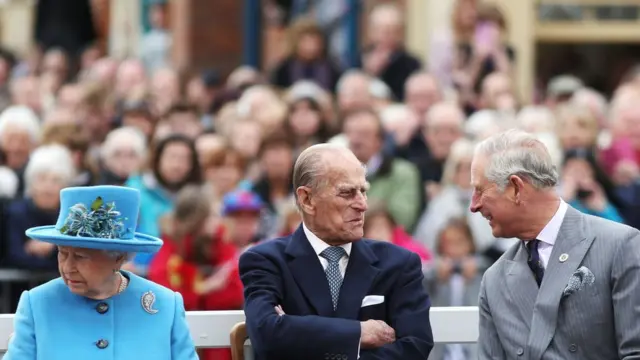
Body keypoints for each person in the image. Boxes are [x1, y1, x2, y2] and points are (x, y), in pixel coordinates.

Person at [239, 143, 433, 360]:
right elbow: (266, 334)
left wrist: (294, 331)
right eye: (347, 193)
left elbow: (414, 348)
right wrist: (359, 332)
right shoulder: (266, 261)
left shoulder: (399, 263)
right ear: (307, 199)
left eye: (363, 191)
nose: (362, 205)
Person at [470, 129, 640, 359]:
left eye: (480, 190)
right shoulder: (494, 280)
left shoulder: (619, 246)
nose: (474, 205)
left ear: (516, 188)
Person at [4, 185, 198, 360]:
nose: (67, 267)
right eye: (62, 253)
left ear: (118, 257)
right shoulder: (38, 303)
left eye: (80, 256)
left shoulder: (164, 305)